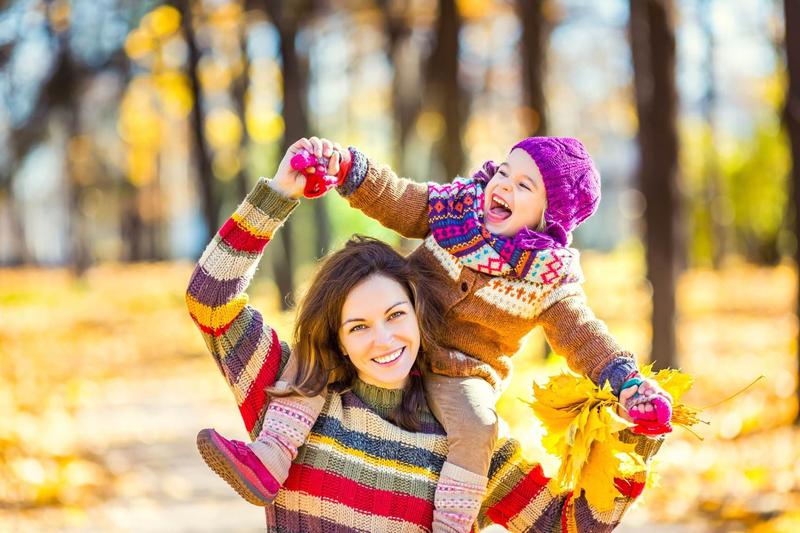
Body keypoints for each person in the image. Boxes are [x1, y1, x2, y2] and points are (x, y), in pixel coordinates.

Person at [188, 138, 664, 532]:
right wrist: (290, 188)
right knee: (306, 376)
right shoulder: (291, 381)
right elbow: (210, 298)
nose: (383, 340)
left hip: (463, 377)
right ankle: (269, 458)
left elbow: (567, 526)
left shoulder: (472, 449)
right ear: (333, 327)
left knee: (479, 424)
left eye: (395, 315)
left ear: (416, 308)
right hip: (293, 420)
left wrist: (635, 421)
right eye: (357, 325)